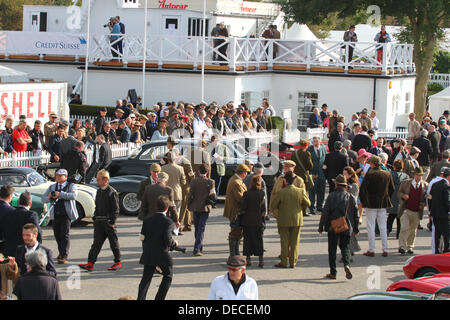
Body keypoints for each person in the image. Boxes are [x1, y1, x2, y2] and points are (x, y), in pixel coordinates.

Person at [137, 195, 178, 300]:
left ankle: (141, 298)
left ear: (156, 206)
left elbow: (142, 237)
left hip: (149, 252)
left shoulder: (147, 219)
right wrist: (174, 244)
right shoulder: (168, 222)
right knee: (168, 276)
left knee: (146, 278)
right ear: (167, 208)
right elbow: (167, 240)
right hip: (162, 254)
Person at [79, 170, 121, 272]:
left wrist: (112, 222)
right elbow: (97, 206)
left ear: (105, 180)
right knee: (96, 244)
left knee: (113, 243)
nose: (97, 181)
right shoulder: (99, 191)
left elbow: (116, 209)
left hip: (108, 222)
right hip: (99, 222)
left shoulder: (112, 192)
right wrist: (95, 216)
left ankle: (117, 262)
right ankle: (90, 263)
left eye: (99, 179)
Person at [319, 174, 359, 280]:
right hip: (346, 226)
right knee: (345, 247)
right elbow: (356, 213)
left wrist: (321, 227)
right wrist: (356, 229)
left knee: (332, 249)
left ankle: (333, 272)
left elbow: (325, 212)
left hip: (333, 226)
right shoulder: (350, 197)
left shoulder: (331, 196)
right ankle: (346, 264)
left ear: (336, 184)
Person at [270, 171, 311, 268]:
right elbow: (308, 203)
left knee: (284, 242)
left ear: (285, 180)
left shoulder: (281, 192)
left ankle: (284, 261)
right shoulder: (300, 191)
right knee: (295, 242)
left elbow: (273, 205)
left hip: (283, 219)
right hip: (297, 219)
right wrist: (301, 208)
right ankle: (293, 262)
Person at [359, 156, 394, 257]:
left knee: (371, 227)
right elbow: (392, 189)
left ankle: (372, 249)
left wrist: (364, 201)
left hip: (371, 203)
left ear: (373, 164)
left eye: (370, 163)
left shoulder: (370, 175)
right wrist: (387, 198)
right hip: (382, 203)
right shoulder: (387, 174)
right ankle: (385, 249)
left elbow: (363, 190)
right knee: (383, 227)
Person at [42, 169, 78, 264]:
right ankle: (61, 251)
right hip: (55, 214)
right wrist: (49, 196)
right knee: (57, 234)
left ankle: (64, 255)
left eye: (60, 175)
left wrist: (60, 194)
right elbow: (43, 199)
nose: (58, 177)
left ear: (65, 177)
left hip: (66, 214)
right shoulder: (52, 187)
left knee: (65, 234)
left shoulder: (71, 186)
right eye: (57, 175)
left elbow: (73, 196)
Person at [397, 167, 428, 255]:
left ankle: (410, 246)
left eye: (421, 175)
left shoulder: (425, 185)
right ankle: (402, 246)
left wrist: (424, 204)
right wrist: (403, 196)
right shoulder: (406, 183)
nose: (419, 177)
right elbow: (399, 193)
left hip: (417, 211)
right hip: (406, 209)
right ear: (414, 175)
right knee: (404, 228)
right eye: (417, 175)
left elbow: (428, 198)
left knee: (413, 230)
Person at [2, 192, 42, 258]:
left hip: (9, 250)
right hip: (25, 250)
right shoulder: (31, 215)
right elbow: (38, 232)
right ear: (30, 204)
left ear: (18, 202)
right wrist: (38, 247)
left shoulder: (9, 213)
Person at [187, 164, 215, 256]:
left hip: (195, 207)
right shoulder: (211, 182)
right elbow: (213, 196)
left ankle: (199, 246)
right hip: (205, 207)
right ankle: (197, 248)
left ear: (199, 171)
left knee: (197, 227)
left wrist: (188, 205)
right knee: (201, 228)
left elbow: (190, 195)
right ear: (207, 172)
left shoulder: (194, 181)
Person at [223, 164, 250, 256]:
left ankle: (235, 253)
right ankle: (233, 254)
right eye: (246, 172)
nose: (246, 174)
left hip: (235, 210)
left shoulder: (235, 179)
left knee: (236, 233)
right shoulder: (236, 182)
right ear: (243, 173)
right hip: (236, 211)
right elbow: (240, 198)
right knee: (235, 233)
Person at [241, 175, 266, 268]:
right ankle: (261, 259)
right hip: (258, 219)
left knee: (247, 239)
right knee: (259, 239)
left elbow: (243, 208)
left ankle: (248, 259)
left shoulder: (246, 194)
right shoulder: (261, 194)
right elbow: (263, 209)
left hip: (247, 219)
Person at [429, 167, 450, 253]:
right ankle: (446, 251)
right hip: (444, 215)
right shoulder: (447, 186)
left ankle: (436, 251)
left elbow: (429, 198)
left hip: (435, 213)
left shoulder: (434, 184)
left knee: (437, 234)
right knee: (446, 234)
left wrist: (430, 211)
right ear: (448, 176)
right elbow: (447, 201)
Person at [161, 151, 186, 222]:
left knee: (166, 212)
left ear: (168, 159)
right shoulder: (180, 168)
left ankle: (167, 228)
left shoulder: (163, 168)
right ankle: (175, 229)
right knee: (176, 212)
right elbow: (183, 182)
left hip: (165, 193)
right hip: (177, 192)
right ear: (175, 159)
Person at [387, 160, 410, 239]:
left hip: (392, 197)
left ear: (394, 166)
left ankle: (387, 231)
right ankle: (398, 234)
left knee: (391, 216)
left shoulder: (390, 175)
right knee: (400, 218)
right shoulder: (406, 176)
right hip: (401, 198)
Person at [291, 139, 313, 210]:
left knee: (295, 192)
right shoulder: (306, 153)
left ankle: (295, 207)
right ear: (306, 145)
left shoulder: (294, 153)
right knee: (304, 193)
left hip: (295, 175)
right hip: (304, 176)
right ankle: (304, 210)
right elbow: (310, 166)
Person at [307, 136, 327, 215]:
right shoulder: (310, 150)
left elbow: (325, 159)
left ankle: (320, 206)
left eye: (317, 141)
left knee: (321, 190)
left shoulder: (323, 149)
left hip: (321, 173)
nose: (316, 142)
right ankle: (312, 207)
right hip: (313, 173)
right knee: (312, 191)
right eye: (314, 141)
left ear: (320, 141)